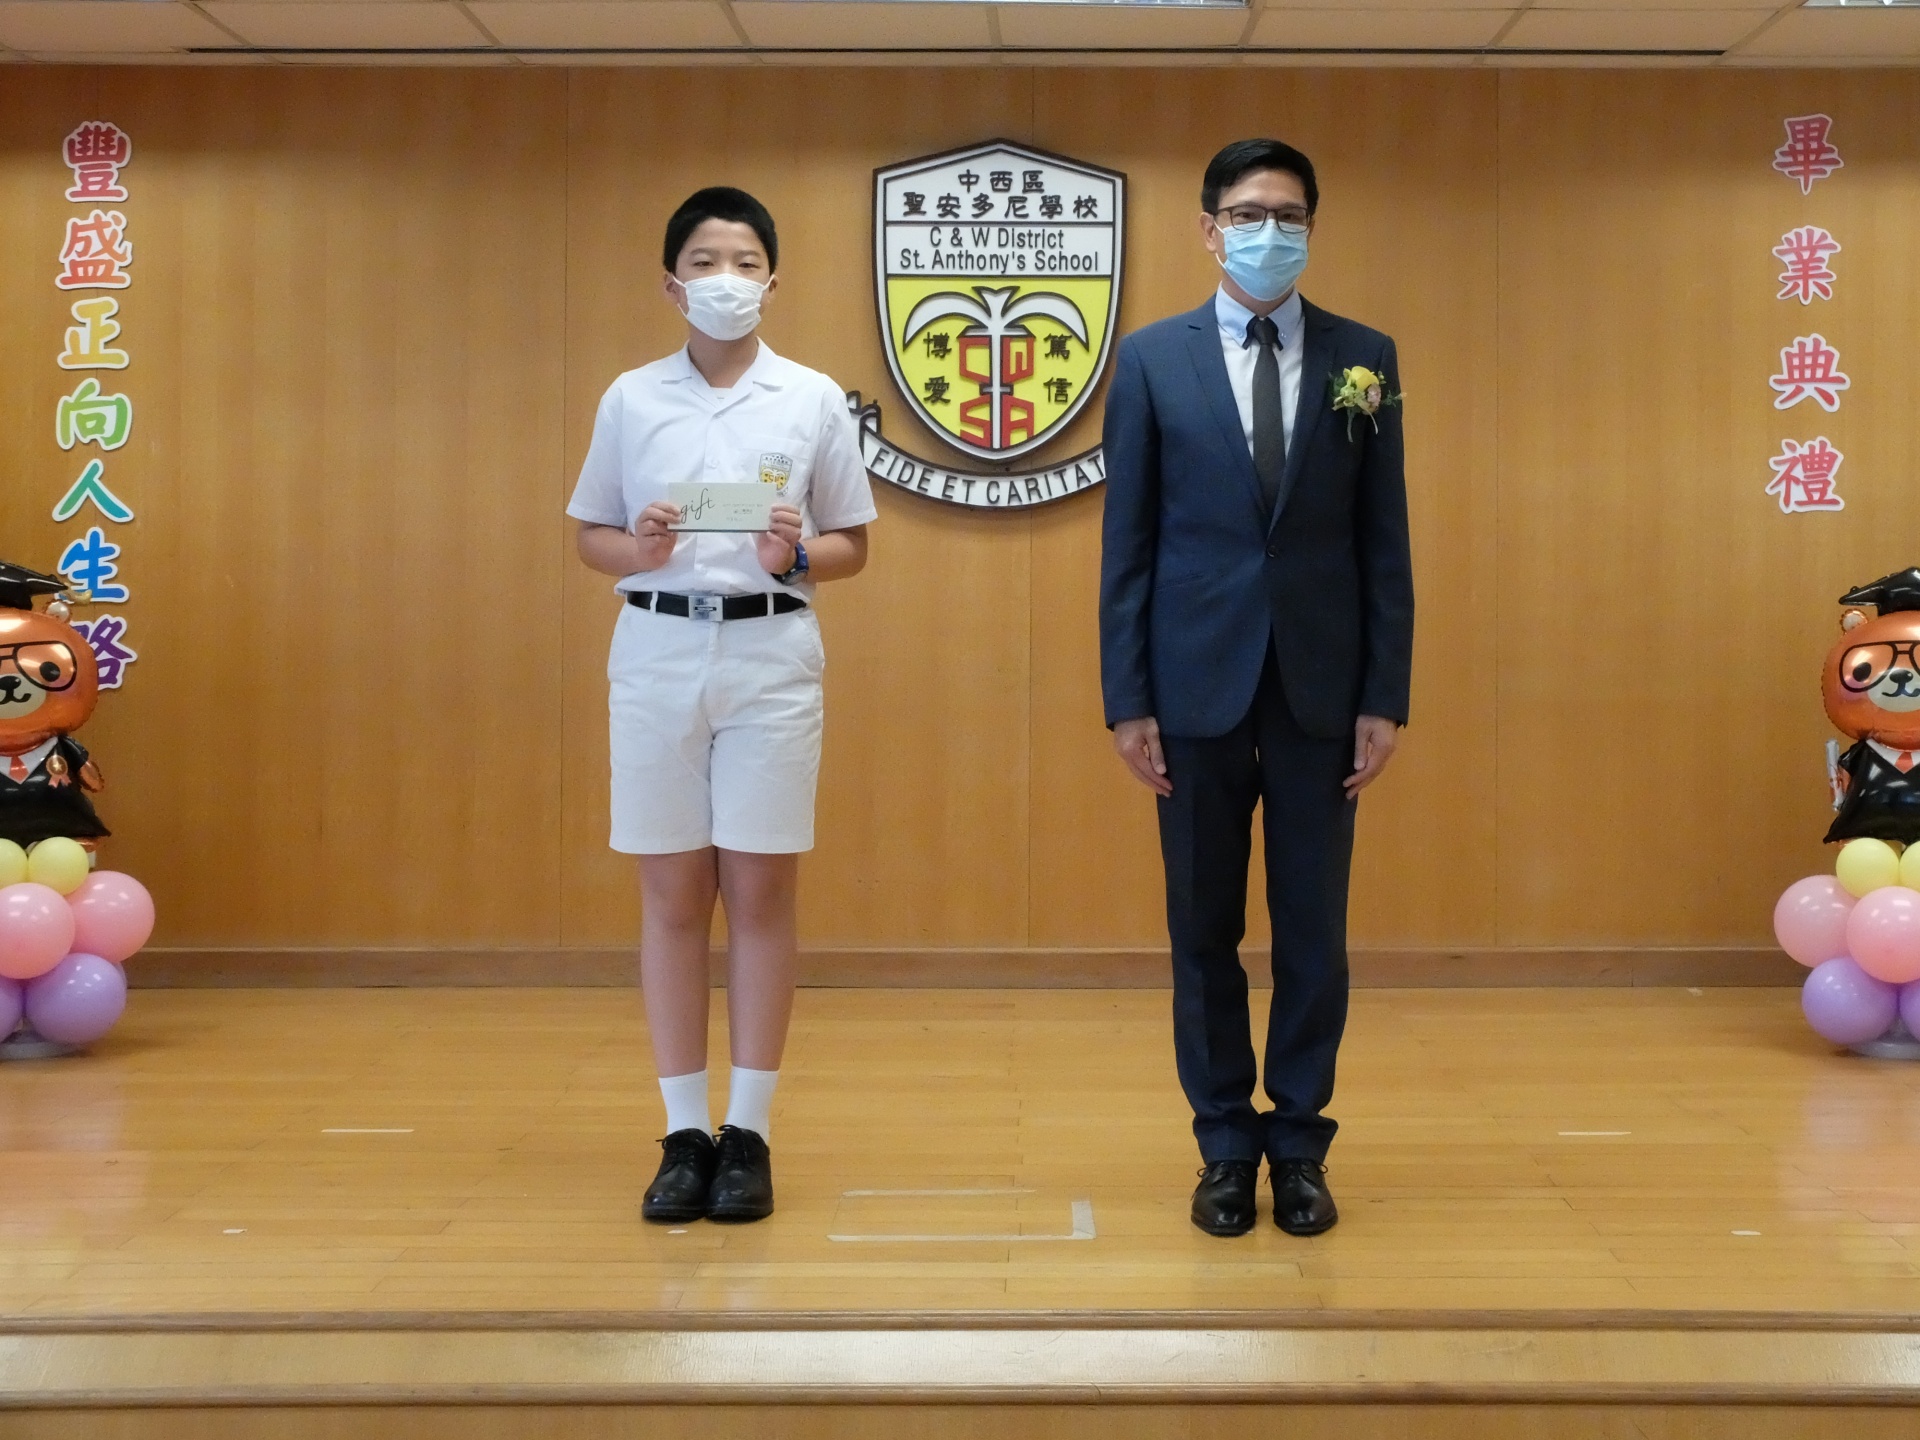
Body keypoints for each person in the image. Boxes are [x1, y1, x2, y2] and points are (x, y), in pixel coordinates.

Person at [1098, 140, 1414, 1238]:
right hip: (1192, 687)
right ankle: (1225, 1144)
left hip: (1324, 689)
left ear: (1311, 227)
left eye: (1286, 214)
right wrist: (1127, 699)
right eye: (1245, 213)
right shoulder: (1151, 360)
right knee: (1203, 928)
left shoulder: (1364, 357)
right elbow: (1128, 544)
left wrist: (1385, 695)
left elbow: (1384, 542)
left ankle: (1303, 1142)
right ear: (1208, 228)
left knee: (1313, 929)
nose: (1266, 231)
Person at [568, 187, 877, 1225]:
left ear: (772, 281)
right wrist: (639, 547)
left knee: (760, 893)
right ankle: (680, 1133)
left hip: (770, 650)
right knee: (669, 897)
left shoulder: (812, 397)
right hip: (656, 647)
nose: (726, 280)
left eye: (745, 262)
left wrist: (796, 554)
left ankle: (748, 1132)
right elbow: (592, 535)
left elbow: (852, 544)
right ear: (672, 285)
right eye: (705, 262)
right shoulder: (630, 397)